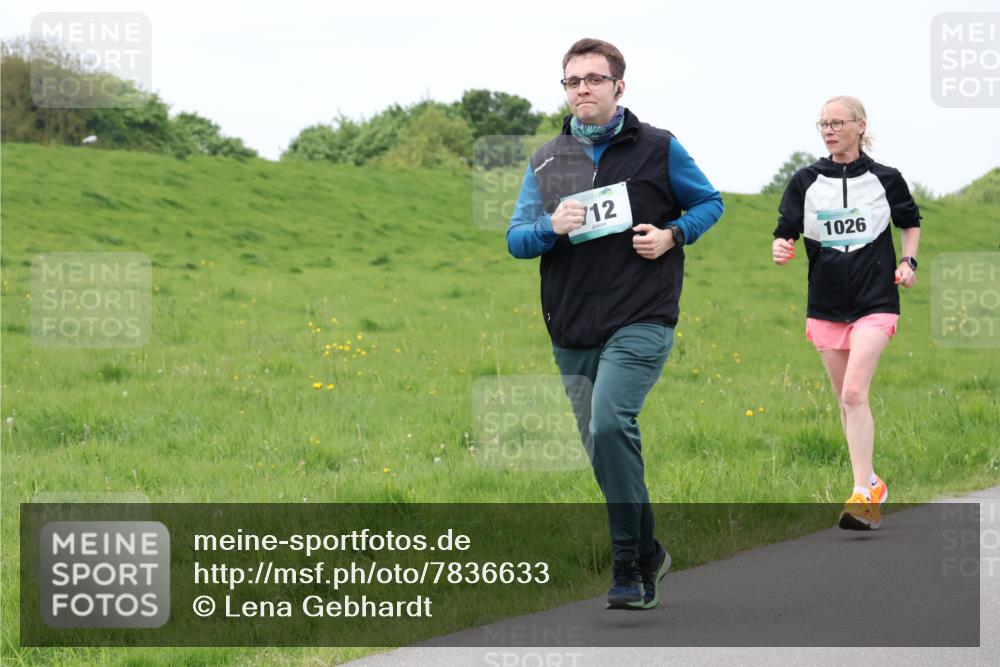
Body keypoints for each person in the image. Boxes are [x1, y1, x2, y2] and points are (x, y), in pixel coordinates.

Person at [507, 38, 723, 609]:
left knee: (609, 424)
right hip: (572, 324)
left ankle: (629, 566)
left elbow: (710, 203)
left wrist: (673, 234)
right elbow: (516, 239)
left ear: (618, 87)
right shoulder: (547, 161)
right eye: (573, 81)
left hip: (642, 315)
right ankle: (650, 550)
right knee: (601, 449)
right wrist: (551, 225)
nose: (583, 89)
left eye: (594, 80)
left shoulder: (658, 148)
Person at [772, 95, 921, 531]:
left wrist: (908, 263)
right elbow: (785, 232)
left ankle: (861, 495)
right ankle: (872, 482)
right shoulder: (805, 181)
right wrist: (782, 247)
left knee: (855, 392)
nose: (829, 130)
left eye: (837, 122)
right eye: (823, 124)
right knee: (845, 399)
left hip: (875, 301)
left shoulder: (886, 179)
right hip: (825, 305)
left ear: (860, 125)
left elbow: (910, 222)